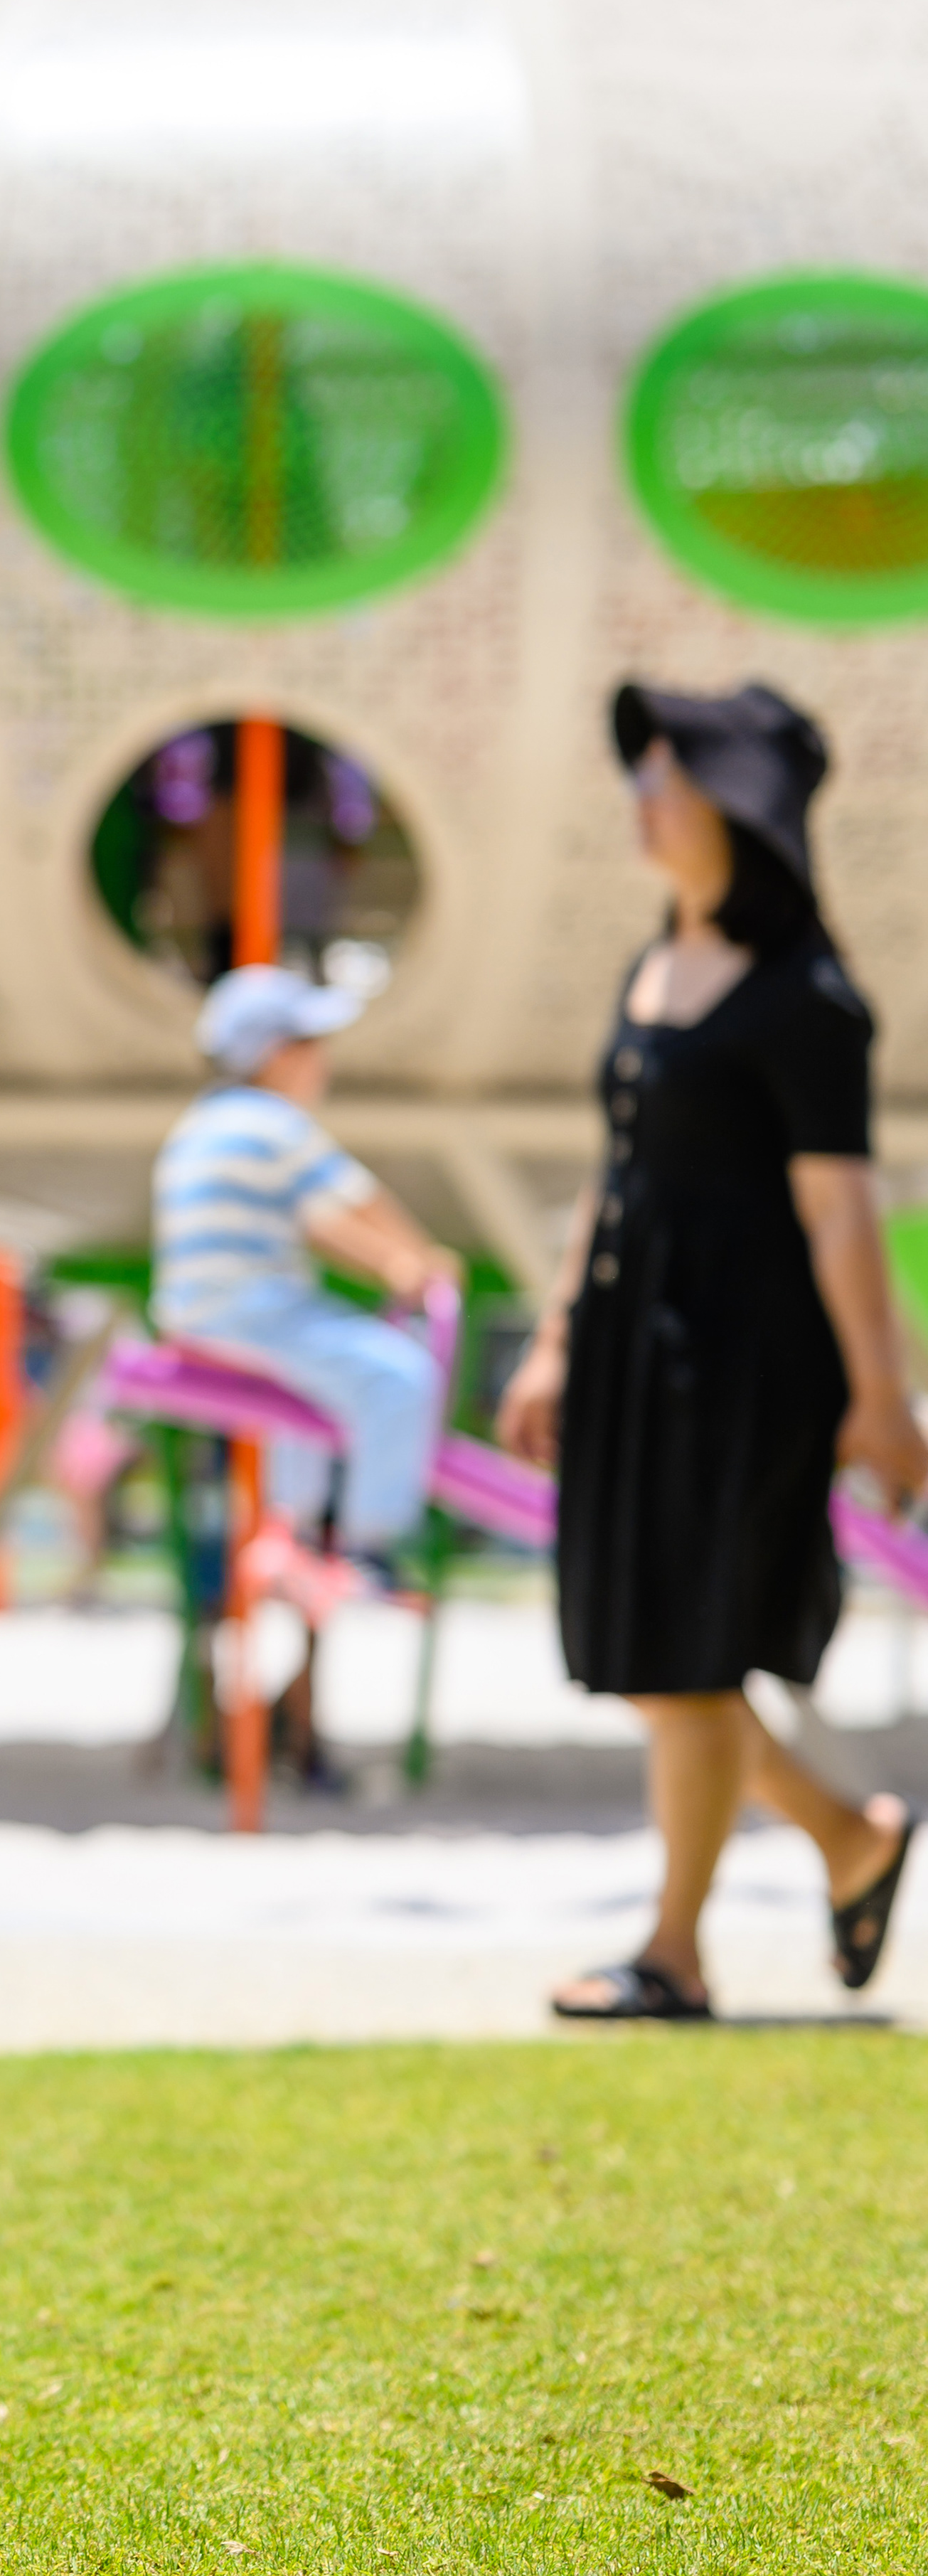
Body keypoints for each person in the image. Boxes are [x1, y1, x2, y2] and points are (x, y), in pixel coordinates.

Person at [498, 681, 924, 2023]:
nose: (643, 802)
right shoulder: (652, 962)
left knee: (683, 1654)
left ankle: (675, 1953)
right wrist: (556, 1336)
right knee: (651, 1648)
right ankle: (849, 1838)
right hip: (633, 1346)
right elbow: (616, 1175)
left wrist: (881, 1395)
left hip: (747, 1363)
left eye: (669, 779)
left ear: (737, 812)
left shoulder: (810, 1000)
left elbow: (837, 1209)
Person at [151, 964, 449, 1587]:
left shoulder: (200, 1124)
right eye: (315, 1047)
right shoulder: (273, 1123)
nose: (325, 1062)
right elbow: (347, 1209)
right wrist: (412, 1260)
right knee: (401, 1377)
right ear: (280, 1056)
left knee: (310, 1387)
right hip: (249, 1306)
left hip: (193, 1309)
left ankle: (297, 1524)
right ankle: (372, 1540)